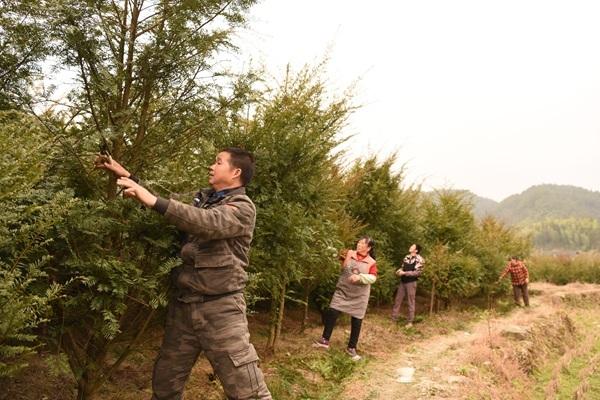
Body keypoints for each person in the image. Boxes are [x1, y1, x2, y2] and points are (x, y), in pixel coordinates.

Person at [95, 148, 272, 400]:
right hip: (184, 308)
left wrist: (151, 201)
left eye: (218, 162)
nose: (211, 166)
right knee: (164, 386)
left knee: (248, 391)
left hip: (221, 311)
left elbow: (205, 221)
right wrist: (130, 177)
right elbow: (175, 204)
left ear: (236, 172)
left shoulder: (242, 208)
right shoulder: (205, 198)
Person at [313, 236, 377, 361]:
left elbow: (373, 278)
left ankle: (351, 348)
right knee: (332, 311)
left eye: (362, 243)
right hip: (343, 290)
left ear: (368, 248)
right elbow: (336, 256)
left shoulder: (371, 262)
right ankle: (325, 340)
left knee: (357, 320)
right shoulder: (349, 253)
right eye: (358, 242)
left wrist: (360, 277)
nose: (359, 244)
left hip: (360, 295)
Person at [391, 244, 425, 328]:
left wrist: (405, 273)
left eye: (412, 246)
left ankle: (410, 322)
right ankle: (393, 319)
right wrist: (399, 271)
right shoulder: (406, 257)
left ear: (416, 250)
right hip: (402, 282)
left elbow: (418, 273)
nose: (410, 247)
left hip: (411, 283)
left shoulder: (420, 259)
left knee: (411, 302)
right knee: (397, 300)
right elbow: (402, 267)